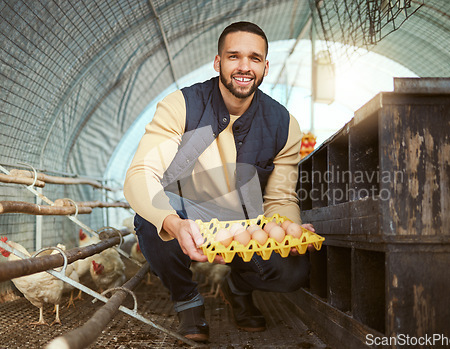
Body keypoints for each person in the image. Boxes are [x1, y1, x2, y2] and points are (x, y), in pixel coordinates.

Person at [124, 21, 315, 342]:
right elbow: (141, 173)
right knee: (151, 220)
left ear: (266, 67)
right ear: (218, 62)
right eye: (233, 57)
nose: (244, 66)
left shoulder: (284, 124)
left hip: (243, 224)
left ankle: (237, 288)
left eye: (254, 59)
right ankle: (188, 302)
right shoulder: (181, 106)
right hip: (188, 218)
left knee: (293, 270)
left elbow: (280, 197)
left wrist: (288, 233)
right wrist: (171, 222)